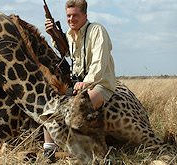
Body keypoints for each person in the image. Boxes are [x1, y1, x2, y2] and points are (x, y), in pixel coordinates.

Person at [42, 0, 116, 162]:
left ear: (85, 15)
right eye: (68, 16)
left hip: (99, 84)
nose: (71, 19)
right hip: (78, 84)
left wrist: (87, 82)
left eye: (75, 15)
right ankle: (49, 149)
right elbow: (67, 53)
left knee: (79, 108)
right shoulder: (69, 34)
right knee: (49, 105)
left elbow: (99, 61)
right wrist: (53, 34)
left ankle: (99, 153)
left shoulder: (97, 30)